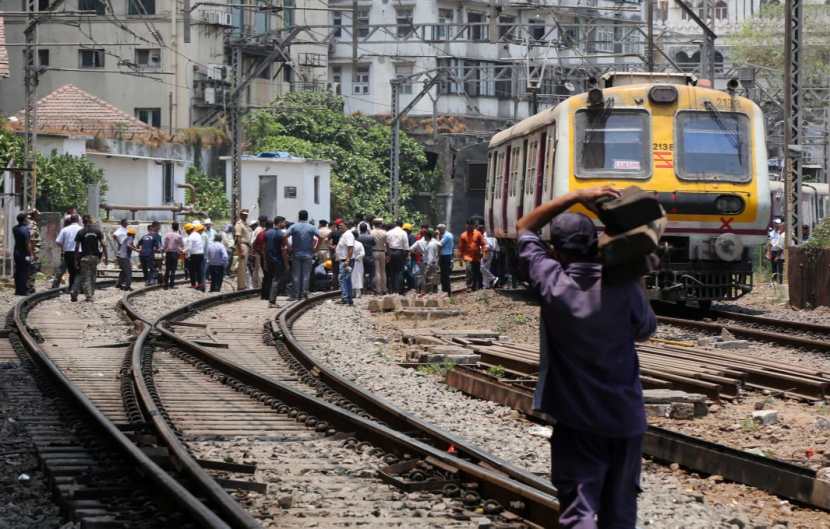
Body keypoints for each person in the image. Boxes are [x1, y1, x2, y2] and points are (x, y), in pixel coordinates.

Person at [516, 186, 656, 529]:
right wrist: (631, 268)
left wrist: (573, 196)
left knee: (580, 510)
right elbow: (645, 330)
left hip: (577, 419)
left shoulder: (553, 284)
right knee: (621, 513)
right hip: (625, 419)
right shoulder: (623, 288)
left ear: (556, 251)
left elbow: (524, 228)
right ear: (595, 244)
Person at [72, 215, 108, 302]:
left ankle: (88, 295)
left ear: (83, 222)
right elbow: (103, 244)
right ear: (91, 221)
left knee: (85, 276)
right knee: (92, 276)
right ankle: (90, 294)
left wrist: (75, 260)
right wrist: (106, 257)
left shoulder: (80, 232)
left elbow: (77, 247)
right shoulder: (97, 231)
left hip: (85, 257)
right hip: (95, 257)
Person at [288, 210, 319, 300]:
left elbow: (285, 236)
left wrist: (289, 246)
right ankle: (304, 292)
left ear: (299, 216)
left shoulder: (294, 226)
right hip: (308, 254)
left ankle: (296, 294)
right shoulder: (311, 227)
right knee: (306, 275)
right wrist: (316, 248)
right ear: (307, 217)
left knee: (296, 275)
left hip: (296, 253)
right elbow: (320, 237)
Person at [54, 214, 82, 290]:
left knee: (69, 271)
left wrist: (64, 247)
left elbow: (58, 241)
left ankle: (56, 286)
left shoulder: (65, 229)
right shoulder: (82, 229)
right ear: (78, 220)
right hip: (79, 253)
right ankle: (75, 288)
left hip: (68, 253)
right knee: (78, 271)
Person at [267, 216, 290, 308]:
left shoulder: (267, 233)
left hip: (269, 259)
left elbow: (264, 248)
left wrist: (265, 261)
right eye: (284, 222)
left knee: (271, 279)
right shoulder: (282, 234)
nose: (284, 224)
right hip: (278, 260)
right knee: (276, 280)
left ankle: (269, 298)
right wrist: (286, 263)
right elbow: (284, 250)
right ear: (279, 222)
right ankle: (272, 301)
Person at [457, 219, 487, 291]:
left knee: (477, 271)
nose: (469, 226)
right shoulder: (463, 235)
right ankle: (469, 286)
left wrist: (484, 254)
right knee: (469, 269)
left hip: (477, 257)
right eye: (468, 225)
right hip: (467, 256)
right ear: (466, 225)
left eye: (471, 225)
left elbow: (483, 244)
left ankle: (477, 285)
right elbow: (460, 248)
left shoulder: (478, 234)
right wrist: (460, 259)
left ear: (473, 226)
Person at [334, 219, 355, 305]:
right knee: (346, 279)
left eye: (341, 226)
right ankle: (348, 298)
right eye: (338, 226)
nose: (339, 227)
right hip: (344, 260)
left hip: (346, 261)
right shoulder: (344, 235)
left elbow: (350, 248)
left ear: (345, 225)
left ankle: (345, 298)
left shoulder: (348, 235)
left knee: (343, 279)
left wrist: (347, 260)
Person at [386, 220, 409, 294]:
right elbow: (406, 245)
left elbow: (386, 243)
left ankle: (392, 289)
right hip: (399, 252)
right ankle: (399, 289)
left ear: (395, 224)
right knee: (399, 272)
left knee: (392, 271)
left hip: (390, 252)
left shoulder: (389, 232)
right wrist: (405, 256)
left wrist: (388, 254)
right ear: (402, 225)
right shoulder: (403, 232)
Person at [13, 213, 33, 296]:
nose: (28, 219)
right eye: (26, 218)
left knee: (18, 271)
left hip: (16, 252)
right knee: (25, 272)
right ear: (24, 219)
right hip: (24, 253)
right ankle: (24, 291)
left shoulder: (14, 228)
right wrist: (31, 254)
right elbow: (27, 243)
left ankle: (18, 290)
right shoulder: (25, 229)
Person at [138, 221, 162, 286]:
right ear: (156, 226)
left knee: (144, 268)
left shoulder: (144, 236)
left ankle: (146, 280)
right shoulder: (157, 236)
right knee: (152, 268)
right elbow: (158, 248)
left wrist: (141, 249)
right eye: (159, 226)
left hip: (141, 254)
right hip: (149, 254)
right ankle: (151, 280)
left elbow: (138, 245)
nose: (160, 227)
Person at [162, 222, 184, 289]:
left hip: (168, 253)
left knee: (167, 269)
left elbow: (165, 245)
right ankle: (172, 285)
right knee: (173, 270)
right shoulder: (178, 236)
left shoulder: (167, 235)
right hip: (175, 253)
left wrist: (164, 249)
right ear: (177, 228)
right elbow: (182, 245)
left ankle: (165, 285)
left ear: (172, 227)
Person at [235, 209, 252, 290]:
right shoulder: (239, 224)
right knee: (242, 266)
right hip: (242, 245)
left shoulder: (246, 224)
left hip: (247, 245)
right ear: (240, 215)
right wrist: (240, 250)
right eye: (243, 214)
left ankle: (243, 284)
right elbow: (238, 238)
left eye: (246, 214)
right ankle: (241, 286)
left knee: (244, 266)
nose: (245, 215)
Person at [256, 219, 273, 300]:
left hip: (263, 257)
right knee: (270, 276)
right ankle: (268, 294)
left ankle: (264, 294)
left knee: (266, 276)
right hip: (270, 257)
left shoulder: (261, 234)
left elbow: (255, 246)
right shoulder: (270, 234)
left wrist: (260, 254)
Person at [370, 218, 388, 295]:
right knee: (383, 271)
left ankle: (378, 289)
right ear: (380, 224)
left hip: (374, 252)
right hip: (382, 252)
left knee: (377, 271)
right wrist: (389, 254)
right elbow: (387, 244)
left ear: (373, 224)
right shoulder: (384, 232)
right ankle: (384, 288)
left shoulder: (371, 232)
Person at [186, 222, 206, 291]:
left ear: (188, 230)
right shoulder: (198, 234)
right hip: (201, 254)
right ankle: (201, 284)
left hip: (194, 255)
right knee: (199, 270)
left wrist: (183, 251)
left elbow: (189, 247)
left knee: (192, 270)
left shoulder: (191, 236)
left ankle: (193, 285)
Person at [436, 224, 454, 296]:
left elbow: (439, 244)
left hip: (445, 256)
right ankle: (445, 290)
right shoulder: (448, 234)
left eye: (439, 229)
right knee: (443, 274)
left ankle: (447, 292)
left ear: (442, 229)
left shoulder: (446, 236)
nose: (438, 231)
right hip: (445, 256)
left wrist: (437, 237)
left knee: (445, 275)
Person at [117, 226, 138, 291]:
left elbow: (131, 245)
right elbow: (129, 245)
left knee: (123, 271)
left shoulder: (127, 238)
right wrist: (136, 250)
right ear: (133, 234)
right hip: (124, 257)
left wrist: (136, 248)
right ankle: (127, 286)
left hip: (120, 256)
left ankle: (119, 284)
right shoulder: (130, 238)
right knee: (128, 271)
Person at [357, 221, 375, 293]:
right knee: (371, 273)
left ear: (360, 229)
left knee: (362, 273)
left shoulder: (357, 237)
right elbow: (374, 244)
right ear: (367, 229)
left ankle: (362, 287)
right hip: (370, 257)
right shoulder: (370, 237)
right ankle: (370, 287)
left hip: (361, 257)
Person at [769, 219, 786, 284]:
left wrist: (778, 255)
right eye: (775, 223)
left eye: (778, 223)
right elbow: (769, 243)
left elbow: (781, 246)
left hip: (779, 251)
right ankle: (774, 281)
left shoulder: (782, 233)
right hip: (773, 251)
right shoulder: (771, 233)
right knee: (773, 267)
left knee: (780, 267)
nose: (777, 225)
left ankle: (780, 282)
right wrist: (769, 252)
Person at [351, 230, 365, 298]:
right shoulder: (360, 244)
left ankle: (352, 293)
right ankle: (358, 293)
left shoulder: (348, 243)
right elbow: (363, 253)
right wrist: (357, 257)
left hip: (350, 262)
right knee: (359, 277)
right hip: (358, 262)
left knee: (351, 277)